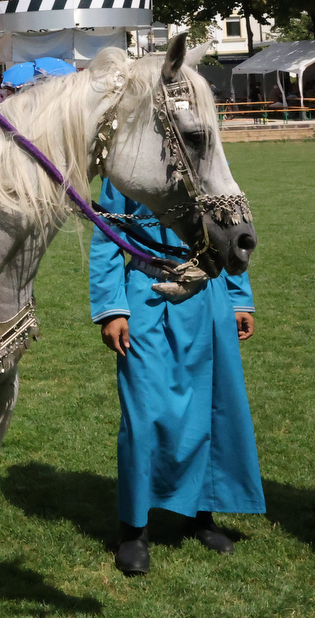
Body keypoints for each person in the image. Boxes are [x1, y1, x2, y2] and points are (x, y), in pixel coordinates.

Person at [91, 179, 264, 574]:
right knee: (143, 413)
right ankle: (134, 529)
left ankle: (200, 515)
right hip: (147, 290)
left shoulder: (208, 161)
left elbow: (228, 228)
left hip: (209, 292)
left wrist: (238, 295)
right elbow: (107, 233)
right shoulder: (126, 167)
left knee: (210, 406)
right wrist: (113, 307)